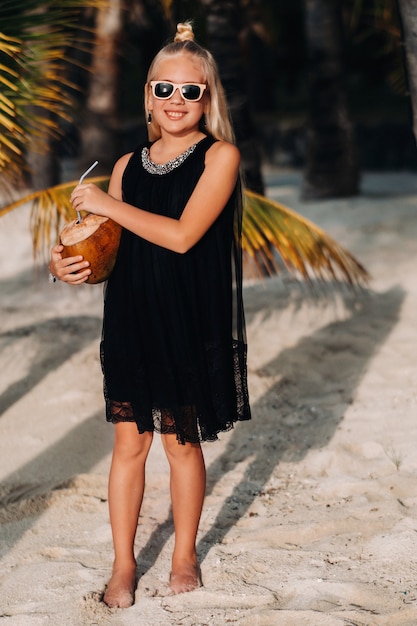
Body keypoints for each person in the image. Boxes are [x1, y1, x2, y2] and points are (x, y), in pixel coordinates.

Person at [49, 21, 251, 609]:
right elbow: (105, 245)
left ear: (208, 99)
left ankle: (184, 553)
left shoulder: (221, 157)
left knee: (180, 444)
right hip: (133, 316)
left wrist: (110, 203)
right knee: (128, 444)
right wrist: (65, 264)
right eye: (165, 89)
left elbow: (184, 236)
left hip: (188, 316)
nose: (176, 102)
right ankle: (123, 563)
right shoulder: (124, 165)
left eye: (191, 91)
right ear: (148, 95)